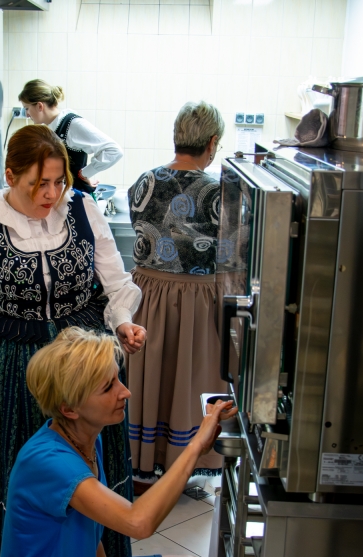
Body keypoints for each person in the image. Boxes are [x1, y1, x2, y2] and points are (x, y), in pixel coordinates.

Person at [0, 124, 145, 557]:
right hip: (13, 373)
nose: (51, 193)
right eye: (39, 183)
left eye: (58, 181)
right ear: (10, 176)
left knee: (90, 472)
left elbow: (115, 282)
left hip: (87, 367)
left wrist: (123, 323)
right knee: (25, 475)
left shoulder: (83, 209)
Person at [0, 327, 235, 557]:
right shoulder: (48, 462)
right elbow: (139, 523)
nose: (125, 392)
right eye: (108, 387)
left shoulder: (85, 440)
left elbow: (88, 532)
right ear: (70, 409)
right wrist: (195, 447)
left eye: (117, 379)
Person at [126, 101, 243, 487]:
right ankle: (184, 463)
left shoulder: (143, 182)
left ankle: (144, 464)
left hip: (147, 296)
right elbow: (233, 258)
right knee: (189, 381)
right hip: (197, 301)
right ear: (212, 142)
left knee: (151, 380)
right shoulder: (222, 192)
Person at [18, 79, 122, 197]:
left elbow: (114, 150)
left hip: (77, 199)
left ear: (39, 106)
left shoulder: (72, 124)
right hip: (62, 197)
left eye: (26, 108)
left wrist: (85, 173)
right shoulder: (50, 129)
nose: (27, 114)